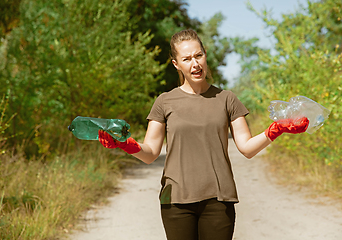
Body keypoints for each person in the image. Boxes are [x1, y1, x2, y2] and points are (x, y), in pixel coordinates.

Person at [98, 29, 309, 240]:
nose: (195, 64)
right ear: (176, 64)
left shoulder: (227, 99)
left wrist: (277, 129)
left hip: (219, 199)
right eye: (187, 59)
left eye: (199, 55)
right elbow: (151, 152)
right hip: (176, 200)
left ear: (205, 54)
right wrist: (123, 144)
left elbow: (246, 147)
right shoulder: (164, 101)